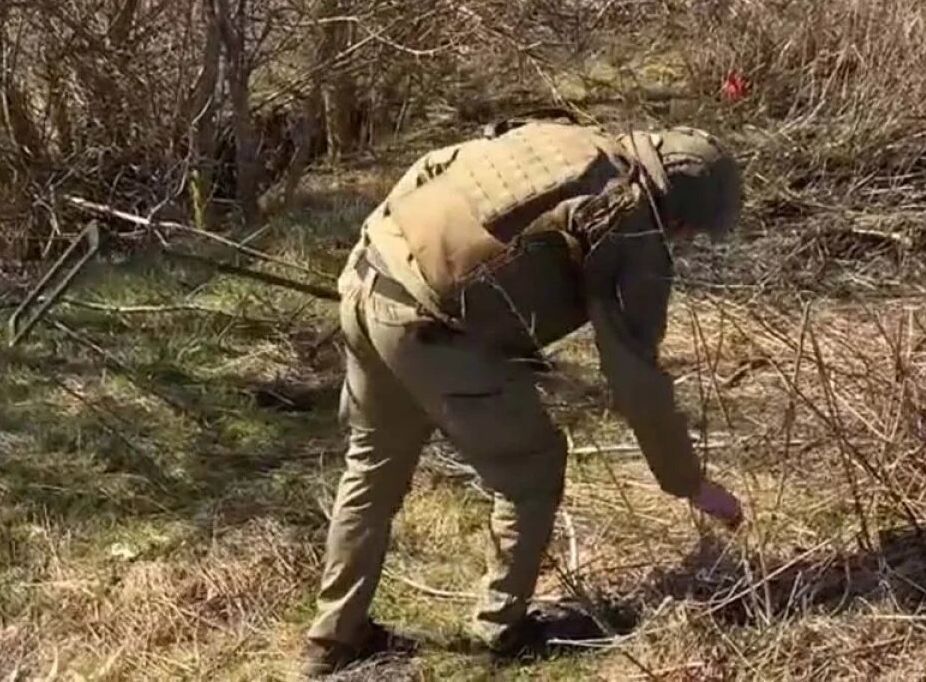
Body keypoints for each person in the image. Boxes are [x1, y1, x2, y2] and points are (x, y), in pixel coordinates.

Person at [302, 116, 745, 677]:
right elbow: (635, 378)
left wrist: (383, 262)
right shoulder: (634, 226)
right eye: (692, 234)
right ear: (681, 217)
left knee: (372, 469)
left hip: (372, 276)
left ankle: (334, 638)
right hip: (430, 329)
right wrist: (688, 482)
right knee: (532, 468)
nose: (686, 242)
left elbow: (432, 167)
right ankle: (501, 627)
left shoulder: (567, 137)